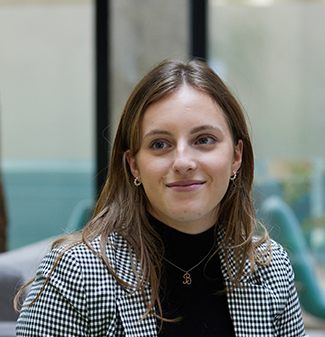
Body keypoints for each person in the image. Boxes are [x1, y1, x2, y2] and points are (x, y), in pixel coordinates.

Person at [16, 59, 306, 336]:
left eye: (204, 140)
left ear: (236, 156)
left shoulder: (271, 269)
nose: (183, 162)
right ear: (133, 165)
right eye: (160, 144)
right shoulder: (77, 273)